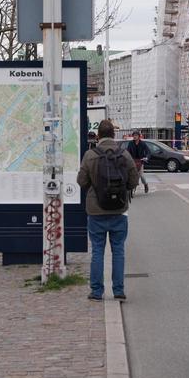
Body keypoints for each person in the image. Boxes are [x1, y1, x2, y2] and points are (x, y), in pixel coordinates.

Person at [77, 119, 139, 301]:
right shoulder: (124, 154)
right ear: (113, 134)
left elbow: (81, 181)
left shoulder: (90, 155)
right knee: (118, 251)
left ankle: (97, 292)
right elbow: (134, 181)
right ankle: (118, 291)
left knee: (97, 251)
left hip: (96, 211)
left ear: (98, 136)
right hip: (119, 210)